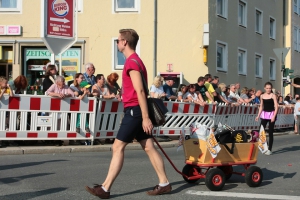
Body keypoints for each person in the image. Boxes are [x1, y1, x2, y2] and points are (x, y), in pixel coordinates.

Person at [85, 28, 171, 198]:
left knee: (117, 147)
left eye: (118, 40)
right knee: (148, 147)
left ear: (125, 42)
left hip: (135, 111)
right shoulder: (136, 61)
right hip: (136, 110)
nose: (117, 43)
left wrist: (145, 117)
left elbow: (140, 91)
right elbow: (136, 89)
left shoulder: (132, 62)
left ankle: (105, 188)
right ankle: (164, 183)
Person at [255, 82, 278, 155]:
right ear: (264, 88)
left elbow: (276, 106)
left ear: (271, 88)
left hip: (272, 114)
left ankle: (270, 149)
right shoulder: (262, 96)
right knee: (261, 130)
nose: (268, 89)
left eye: (270, 88)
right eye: (267, 88)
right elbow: (261, 106)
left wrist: (274, 116)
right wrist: (258, 115)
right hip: (264, 114)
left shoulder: (273, 95)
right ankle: (265, 146)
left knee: (270, 132)